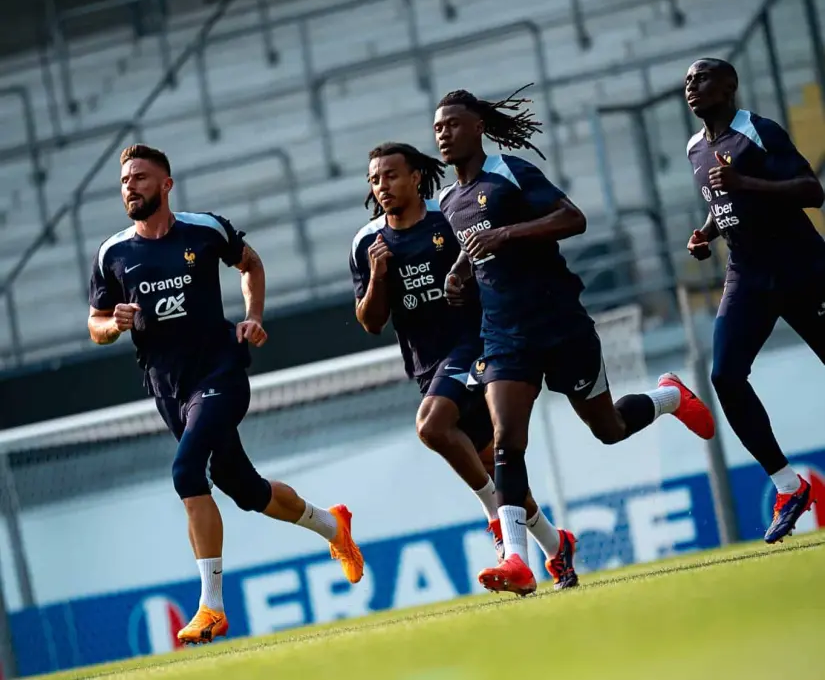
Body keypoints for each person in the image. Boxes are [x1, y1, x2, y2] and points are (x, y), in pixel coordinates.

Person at [435, 86, 715, 595]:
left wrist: (507, 234)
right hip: (503, 335)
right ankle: (518, 559)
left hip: (559, 322)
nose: (443, 134)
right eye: (437, 128)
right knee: (506, 440)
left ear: (477, 127)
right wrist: (458, 275)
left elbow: (573, 218)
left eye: (452, 124)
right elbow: (473, 250)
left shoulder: (511, 172)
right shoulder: (447, 200)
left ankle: (670, 396)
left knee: (607, 428)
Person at [88, 144, 363, 645]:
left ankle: (211, 608)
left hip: (220, 371)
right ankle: (332, 527)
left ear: (166, 184)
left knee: (186, 471)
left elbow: (250, 264)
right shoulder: (113, 253)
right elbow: (95, 323)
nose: (131, 186)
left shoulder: (205, 229)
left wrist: (253, 316)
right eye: (125, 179)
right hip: (167, 387)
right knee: (244, 488)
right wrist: (112, 326)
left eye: (141, 177)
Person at [350, 142, 578, 589]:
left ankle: (496, 523)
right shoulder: (367, 243)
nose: (383, 186)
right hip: (428, 365)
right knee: (496, 471)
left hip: (477, 342)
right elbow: (371, 322)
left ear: (416, 176)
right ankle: (556, 548)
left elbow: (494, 270)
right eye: (375, 179)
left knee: (432, 427)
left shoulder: (448, 219)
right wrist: (378, 276)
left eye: (392, 175)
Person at [684, 58, 823, 543]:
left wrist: (748, 183)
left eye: (700, 78)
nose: (691, 87)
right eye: (687, 81)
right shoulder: (695, 147)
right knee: (724, 374)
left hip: (801, 268)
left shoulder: (758, 132)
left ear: (729, 86)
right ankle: (788, 485)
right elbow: (722, 204)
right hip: (746, 274)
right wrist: (704, 233)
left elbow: (812, 190)